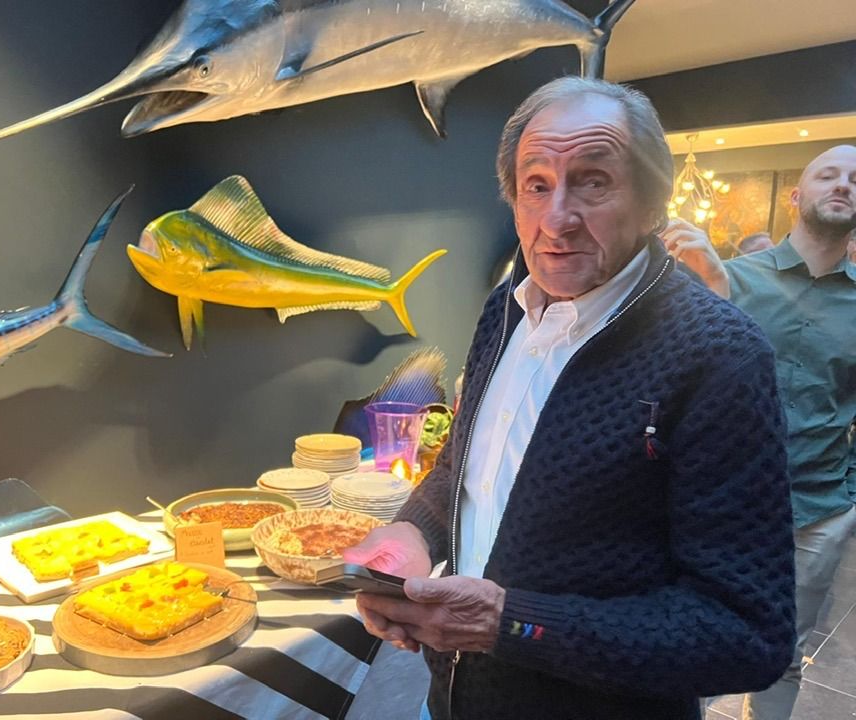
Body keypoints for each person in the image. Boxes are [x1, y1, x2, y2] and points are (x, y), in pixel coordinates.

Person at [343, 76, 796, 720]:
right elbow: (466, 466)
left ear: (652, 204)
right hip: (451, 700)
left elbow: (746, 635)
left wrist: (508, 624)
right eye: (536, 185)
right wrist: (413, 530)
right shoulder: (505, 309)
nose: (557, 218)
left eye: (593, 181)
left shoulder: (718, 352)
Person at [660, 144, 856, 720]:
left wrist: (850, 495)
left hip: (818, 510)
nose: (843, 184)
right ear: (796, 196)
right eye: (828, 174)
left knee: (785, 652)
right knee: (692, 641)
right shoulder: (726, 277)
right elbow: (681, 378)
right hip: (723, 504)